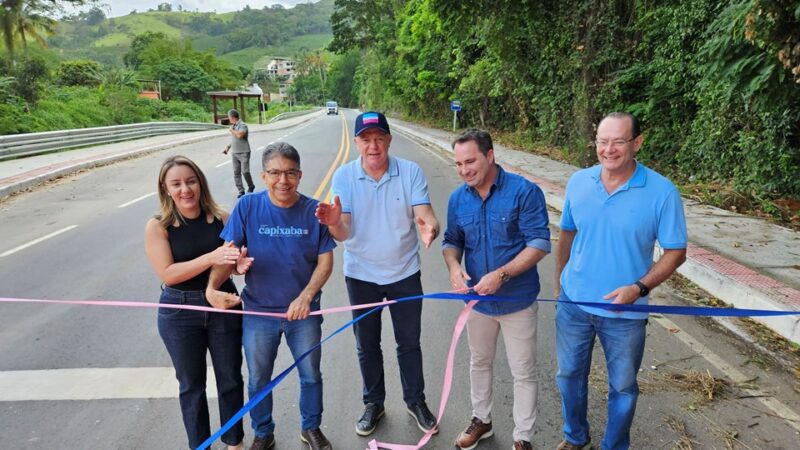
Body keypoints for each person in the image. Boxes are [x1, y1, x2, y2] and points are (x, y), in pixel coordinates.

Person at [554, 112, 687, 450]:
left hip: (625, 313)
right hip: (574, 305)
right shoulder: (579, 182)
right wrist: (560, 283)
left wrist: (639, 288)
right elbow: (567, 234)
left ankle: (614, 446)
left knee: (623, 388)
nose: (608, 149)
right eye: (602, 141)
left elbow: (676, 252)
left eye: (618, 141)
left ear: (637, 143)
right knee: (569, 376)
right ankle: (575, 436)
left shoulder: (662, 191)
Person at [315, 111, 440, 437]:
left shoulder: (409, 171)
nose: (373, 146)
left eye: (379, 138)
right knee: (366, 344)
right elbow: (343, 232)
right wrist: (332, 221)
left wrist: (429, 226)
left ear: (389, 140)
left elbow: (423, 214)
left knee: (409, 343)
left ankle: (416, 401)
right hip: (361, 276)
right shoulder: (344, 176)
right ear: (357, 142)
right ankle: (374, 403)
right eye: (366, 139)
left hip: (404, 273)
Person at [207, 142, 336, 450]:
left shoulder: (314, 210)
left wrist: (306, 296)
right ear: (263, 176)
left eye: (290, 173)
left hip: (304, 314)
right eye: (275, 173)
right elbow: (228, 255)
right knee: (258, 379)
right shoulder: (248, 207)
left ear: (300, 175)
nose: (283, 181)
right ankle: (263, 431)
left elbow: (326, 260)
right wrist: (217, 284)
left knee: (310, 375)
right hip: (258, 313)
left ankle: (311, 428)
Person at [442, 129, 551, 450]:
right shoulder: (458, 198)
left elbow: (539, 244)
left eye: (471, 161)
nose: (465, 170)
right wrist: (454, 267)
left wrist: (502, 274)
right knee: (479, 362)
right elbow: (452, 242)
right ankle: (482, 420)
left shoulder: (524, 192)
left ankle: (523, 437)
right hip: (478, 303)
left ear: (490, 155)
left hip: (518, 301)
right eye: (459, 164)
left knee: (523, 371)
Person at [143, 155, 245, 450]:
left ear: (201, 182)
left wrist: (238, 265)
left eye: (190, 181)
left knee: (230, 379)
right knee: (192, 386)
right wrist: (211, 257)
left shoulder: (223, 218)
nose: (185, 189)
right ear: (165, 188)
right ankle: (200, 445)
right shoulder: (158, 226)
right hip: (180, 311)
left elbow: (230, 262)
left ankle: (234, 442)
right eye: (176, 184)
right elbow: (168, 273)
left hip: (223, 305)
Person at [222, 109, 256, 197]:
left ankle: (251, 186)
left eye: (229, 117)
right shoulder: (233, 126)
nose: (228, 119)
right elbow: (234, 139)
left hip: (244, 152)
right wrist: (228, 147)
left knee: (245, 171)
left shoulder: (242, 125)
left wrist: (231, 130)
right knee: (236, 172)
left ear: (232, 117)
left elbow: (240, 135)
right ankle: (241, 190)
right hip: (235, 153)